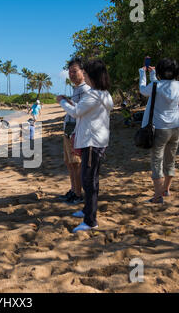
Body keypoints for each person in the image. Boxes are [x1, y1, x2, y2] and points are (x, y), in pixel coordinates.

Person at [59, 59, 113, 232]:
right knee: (91, 179)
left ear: (91, 76)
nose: (86, 77)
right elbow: (83, 111)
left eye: (87, 74)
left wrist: (61, 101)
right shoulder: (105, 94)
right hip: (97, 141)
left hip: (91, 142)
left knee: (88, 181)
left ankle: (90, 220)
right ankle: (87, 211)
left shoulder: (93, 94)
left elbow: (76, 113)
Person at [139, 58, 179, 203]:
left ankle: (157, 196)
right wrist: (153, 75)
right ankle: (166, 190)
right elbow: (158, 86)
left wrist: (142, 74)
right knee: (170, 160)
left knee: (157, 161)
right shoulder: (178, 85)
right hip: (176, 128)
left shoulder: (156, 85)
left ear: (160, 71)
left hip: (160, 128)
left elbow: (144, 91)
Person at [58, 58, 91, 205]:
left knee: (76, 164)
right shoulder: (76, 89)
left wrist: (63, 102)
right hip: (69, 131)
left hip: (77, 132)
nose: (71, 74)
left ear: (83, 72)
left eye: (74, 71)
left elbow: (79, 111)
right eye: (69, 71)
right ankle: (73, 190)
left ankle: (78, 194)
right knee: (69, 163)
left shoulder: (86, 89)